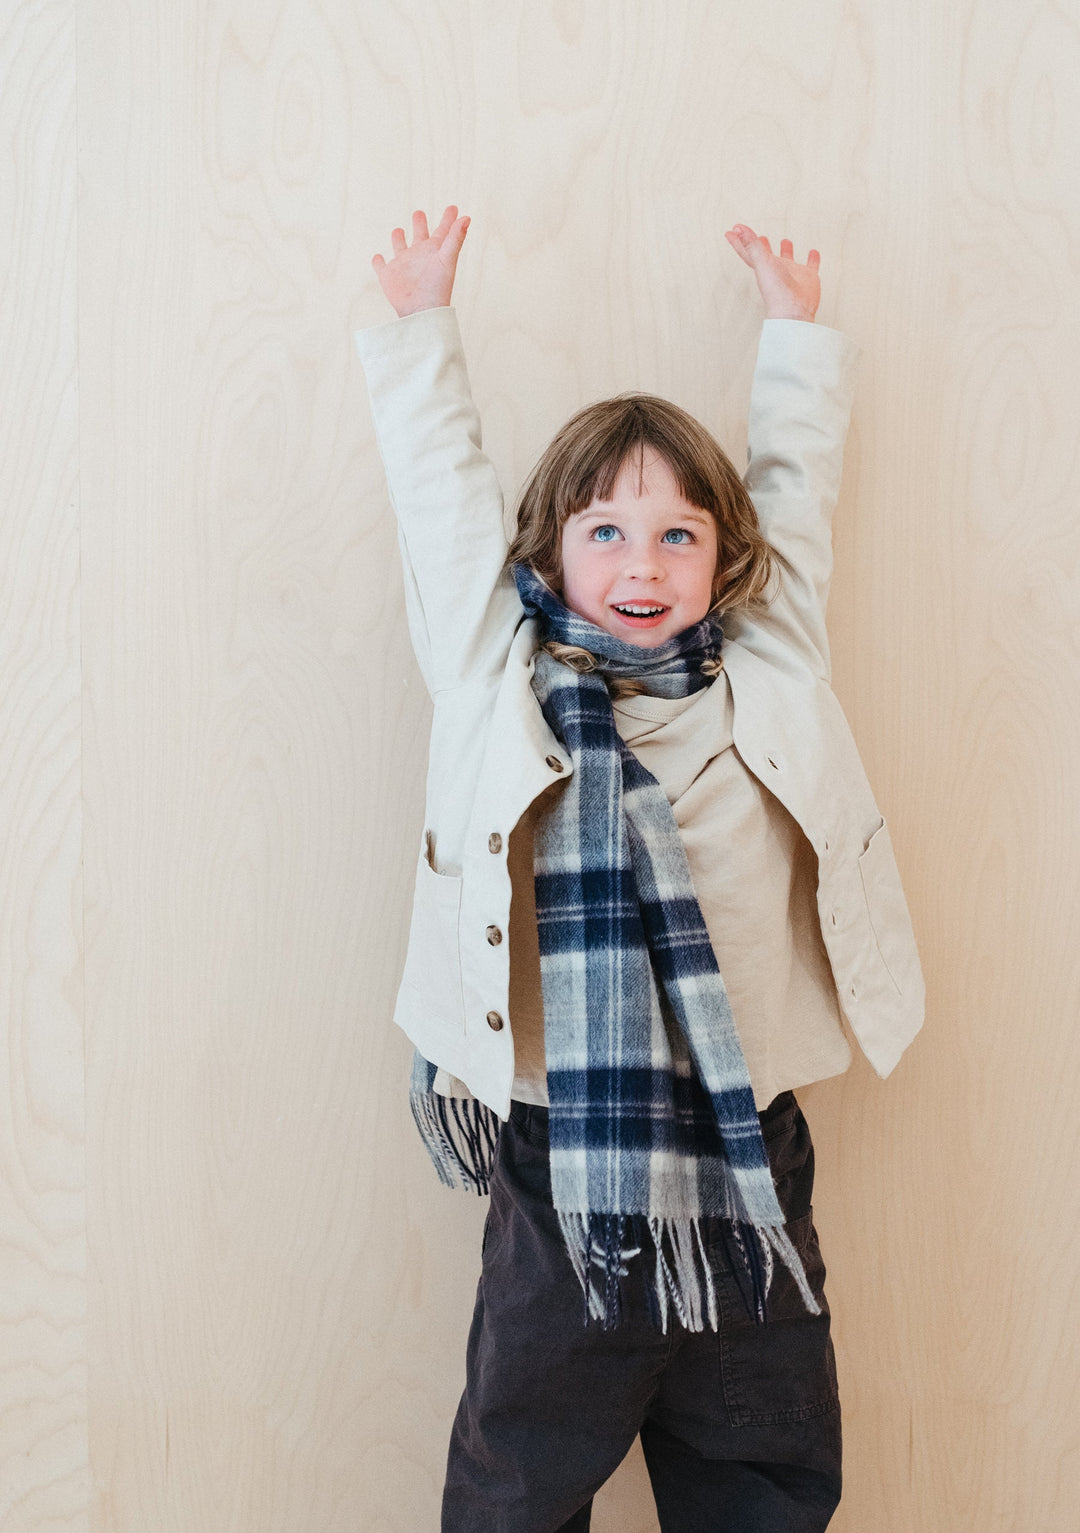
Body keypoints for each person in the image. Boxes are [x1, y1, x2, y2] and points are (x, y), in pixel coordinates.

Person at [356, 206, 926, 1532]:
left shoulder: (767, 667)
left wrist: (797, 338)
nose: (642, 564)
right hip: (564, 1164)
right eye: (606, 532)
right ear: (549, 547)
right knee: (519, 1469)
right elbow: (441, 510)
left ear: (725, 560)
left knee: (761, 1464)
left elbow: (798, 498)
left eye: (679, 536)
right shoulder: (499, 677)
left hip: (749, 1153)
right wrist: (420, 324)